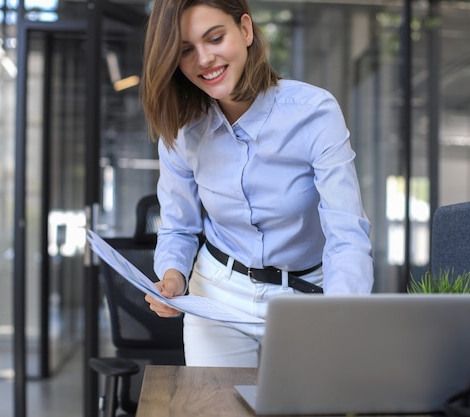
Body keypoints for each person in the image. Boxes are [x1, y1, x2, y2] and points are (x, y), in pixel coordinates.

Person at [141, 0, 374, 367]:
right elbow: (178, 228)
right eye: (186, 50)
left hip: (304, 295)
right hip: (217, 295)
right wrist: (173, 278)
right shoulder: (182, 131)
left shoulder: (313, 112)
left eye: (214, 38)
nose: (204, 59)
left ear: (245, 30)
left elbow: (346, 232)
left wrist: (341, 314)